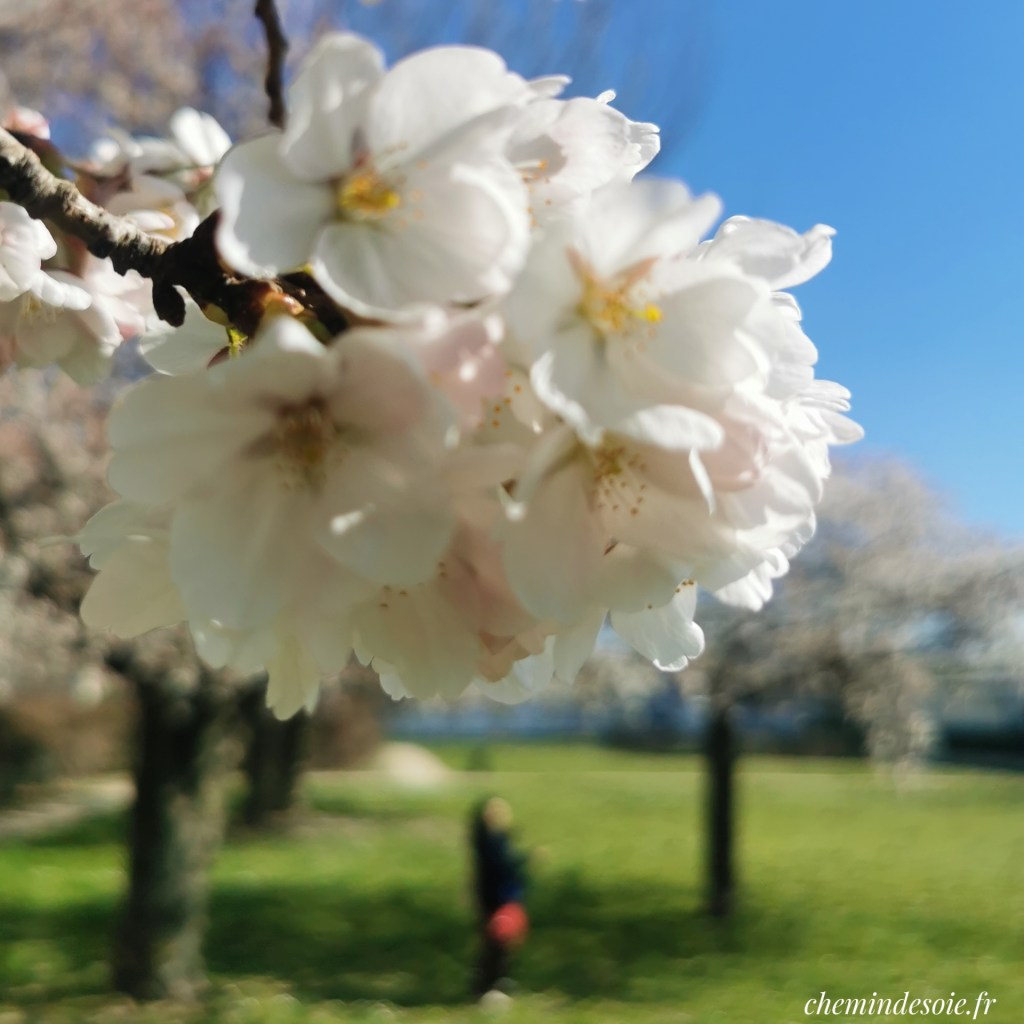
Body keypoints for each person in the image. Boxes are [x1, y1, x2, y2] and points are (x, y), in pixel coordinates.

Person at [469, 796, 529, 1000]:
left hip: (503, 898)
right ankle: (488, 984)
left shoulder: (497, 839)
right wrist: (525, 860)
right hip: (497, 899)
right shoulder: (491, 841)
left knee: (501, 943)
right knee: (497, 942)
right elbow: (503, 867)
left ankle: (495, 980)